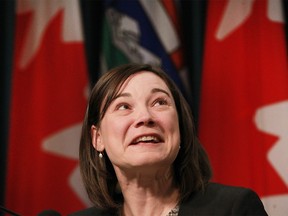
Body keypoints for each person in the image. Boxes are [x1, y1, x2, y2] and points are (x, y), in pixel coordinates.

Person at [70, 63, 268, 216]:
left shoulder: (233, 208)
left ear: (180, 127)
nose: (145, 117)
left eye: (159, 102)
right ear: (98, 138)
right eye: (124, 106)